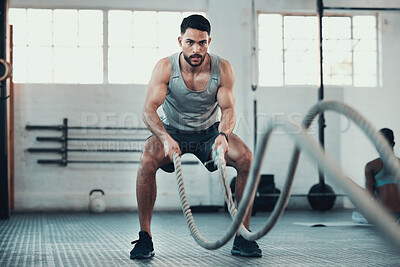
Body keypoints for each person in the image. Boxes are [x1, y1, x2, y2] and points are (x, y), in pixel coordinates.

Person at [130, 14, 261, 259]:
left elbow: (229, 109)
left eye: (202, 43)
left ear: (209, 41)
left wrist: (223, 134)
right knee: (147, 160)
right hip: (172, 131)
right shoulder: (165, 67)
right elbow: (148, 110)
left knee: (246, 159)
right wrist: (166, 139)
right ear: (180, 41)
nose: (196, 48)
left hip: (209, 133)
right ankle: (144, 238)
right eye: (190, 42)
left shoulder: (222, 68)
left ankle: (243, 236)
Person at [353, 128, 400, 224]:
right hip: (398, 216)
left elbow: (368, 196)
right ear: (393, 144)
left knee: (346, 182)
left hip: (381, 216)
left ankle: (366, 217)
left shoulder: (371, 166)